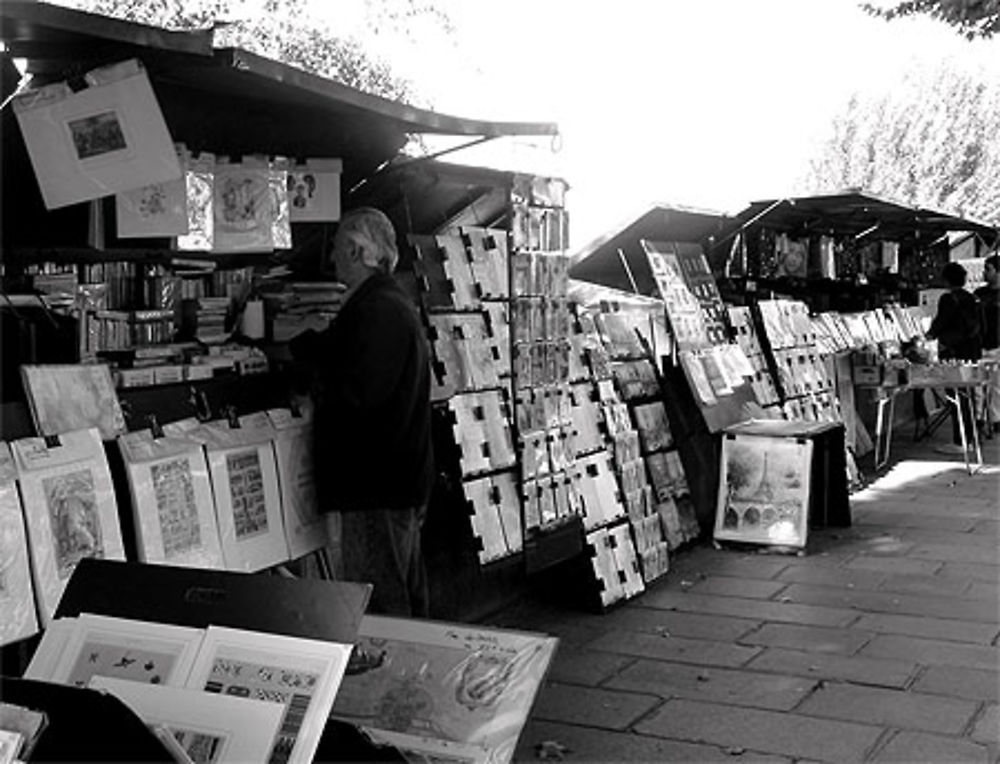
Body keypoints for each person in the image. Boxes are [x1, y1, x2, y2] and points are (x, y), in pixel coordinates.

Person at [291, 207, 434, 617]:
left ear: (356, 251)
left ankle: (398, 674)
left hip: (377, 482)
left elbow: (359, 393)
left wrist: (313, 390)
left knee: (383, 593)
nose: (331, 259)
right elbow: (340, 350)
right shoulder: (382, 302)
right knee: (397, 585)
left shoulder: (379, 309)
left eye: (337, 249)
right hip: (391, 479)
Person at [926, 261, 983, 454]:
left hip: (954, 354)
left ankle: (961, 441)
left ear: (946, 279)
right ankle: (972, 439)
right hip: (972, 353)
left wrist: (929, 337)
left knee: (956, 397)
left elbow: (940, 324)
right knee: (968, 396)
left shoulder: (948, 299)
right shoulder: (973, 298)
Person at [974, 254, 1000, 433]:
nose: (984, 272)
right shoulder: (979, 294)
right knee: (977, 385)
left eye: (988, 269)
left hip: (998, 345)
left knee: (997, 386)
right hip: (979, 345)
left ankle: (996, 419)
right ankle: (978, 418)